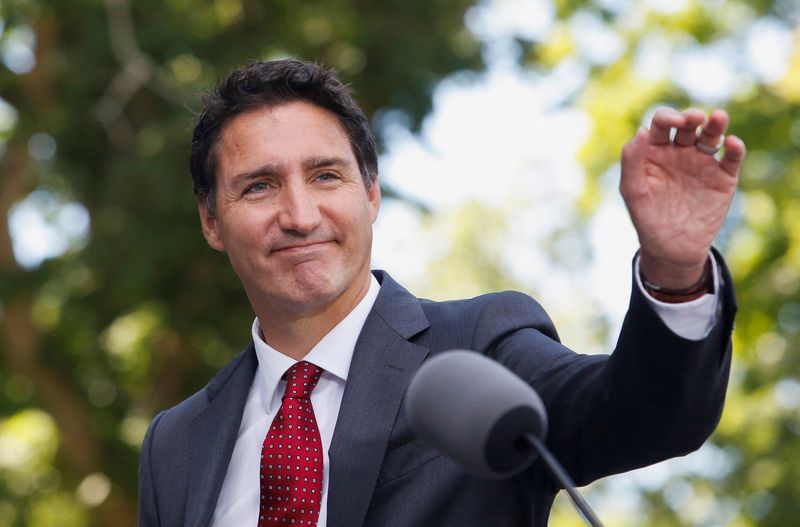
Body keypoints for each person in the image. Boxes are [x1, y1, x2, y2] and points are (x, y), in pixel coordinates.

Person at [138, 59, 745, 527]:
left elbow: (642, 415)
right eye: (259, 187)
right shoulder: (176, 442)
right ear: (211, 221)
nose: (300, 215)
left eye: (326, 175)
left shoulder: (478, 351)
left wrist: (674, 271)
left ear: (370, 194)